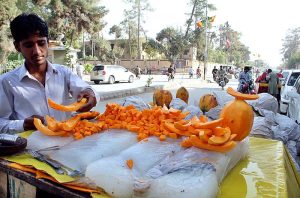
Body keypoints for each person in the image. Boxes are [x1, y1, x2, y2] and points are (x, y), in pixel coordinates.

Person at [0, 13, 97, 134]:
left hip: (67, 143)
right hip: (32, 149)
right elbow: (1, 123)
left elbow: (87, 90)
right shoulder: (6, 82)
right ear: (17, 47)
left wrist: (90, 95)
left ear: (48, 42)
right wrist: (23, 124)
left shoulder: (63, 72)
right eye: (29, 45)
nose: (37, 51)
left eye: (41, 43)